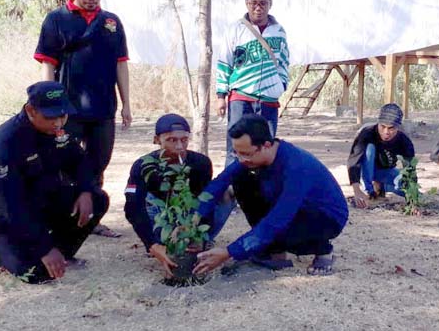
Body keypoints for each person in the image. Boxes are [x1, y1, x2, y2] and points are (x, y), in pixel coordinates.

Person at [0, 82, 110, 284]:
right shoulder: (4, 143)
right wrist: (44, 248)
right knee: (36, 274)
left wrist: (85, 190)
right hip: (3, 214)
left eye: (62, 115)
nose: (58, 123)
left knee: (97, 199)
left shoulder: (59, 130)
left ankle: (61, 254)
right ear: (30, 110)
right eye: (50, 117)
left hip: (42, 200)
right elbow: (12, 205)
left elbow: (79, 161)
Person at [34, 0, 130, 238]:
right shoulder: (56, 19)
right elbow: (48, 64)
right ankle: (63, 216)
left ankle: (91, 218)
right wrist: (51, 106)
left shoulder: (111, 22)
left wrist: (127, 104)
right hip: (68, 110)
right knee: (63, 163)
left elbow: (121, 64)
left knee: (98, 162)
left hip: (103, 108)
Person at [193, 115, 349, 276]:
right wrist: (193, 219)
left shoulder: (296, 167)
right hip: (290, 210)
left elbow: (277, 220)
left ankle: (323, 249)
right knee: (241, 179)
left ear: (266, 145)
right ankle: (275, 252)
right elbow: (217, 185)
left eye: (245, 154)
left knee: (277, 229)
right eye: (236, 153)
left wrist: (229, 252)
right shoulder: (251, 158)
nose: (240, 159)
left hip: (324, 218)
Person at [123, 114, 234, 277]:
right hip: (160, 218)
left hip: (192, 218)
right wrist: (152, 244)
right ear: (157, 140)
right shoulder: (144, 165)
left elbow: (205, 202)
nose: (180, 146)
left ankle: (202, 241)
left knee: (225, 193)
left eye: (184, 140)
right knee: (147, 199)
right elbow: (133, 207)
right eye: (172, 140)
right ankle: (163, 243)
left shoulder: (201, 163)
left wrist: (199, 236)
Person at [216, 0, 290, 166]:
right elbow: (225, 61)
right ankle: (232, 191)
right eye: (253, 3)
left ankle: (262, 192)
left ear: (270, 3)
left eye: (263, 3)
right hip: (241, 97)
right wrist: (220, 96)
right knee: (236, 148)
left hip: (268, 100)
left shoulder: (279, 32)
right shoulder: (235, 29)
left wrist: (280, 85)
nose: (258, 8)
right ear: (246, 3)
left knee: (266, 149)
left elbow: (284, 62)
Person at [346, 103, 415, 209]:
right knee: (370, 148)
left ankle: (381, 186)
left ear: (398, 127)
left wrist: (413, 198)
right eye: (383, 127)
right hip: (366, 170)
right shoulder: (367, 133)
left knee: (406, 188)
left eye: (391, 128)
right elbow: (353, 161)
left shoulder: (404, 141)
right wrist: (357, 190)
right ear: (378, 123)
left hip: (385, 171)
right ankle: (369, 191)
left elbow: (410, 170)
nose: (386, 132)